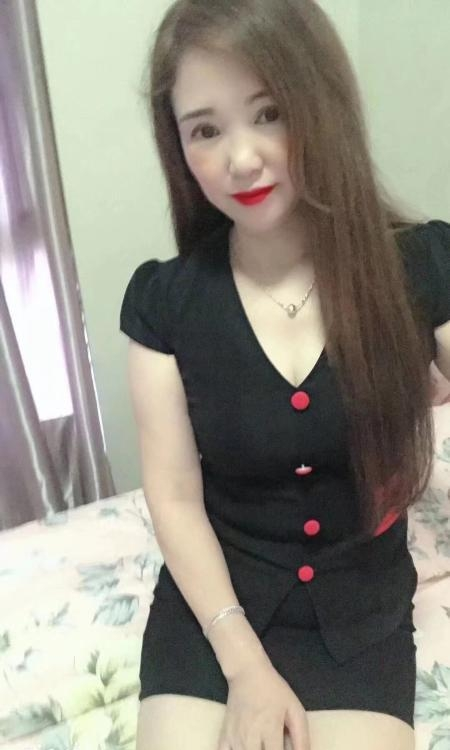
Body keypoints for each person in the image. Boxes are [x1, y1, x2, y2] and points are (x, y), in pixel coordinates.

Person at [119, 1, 450, 748]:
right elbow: (174, 498)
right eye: (205, 130)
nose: (241, 159)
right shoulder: (164, 303)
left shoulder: (421, 265)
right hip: (217, 606)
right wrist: (245, 669)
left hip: (358, 615)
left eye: (269, 114)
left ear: (319, 105)